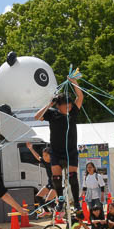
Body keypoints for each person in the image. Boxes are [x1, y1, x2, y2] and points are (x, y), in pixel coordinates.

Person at [35, 78, 84, 214]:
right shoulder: (52, 114)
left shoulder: (73, 113)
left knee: (73, 176)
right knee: (56, 178)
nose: (68, 107)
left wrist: (74, 82)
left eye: (69, 105)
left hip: (71, 151)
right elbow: (37, 116)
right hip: (56, 151)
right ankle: (60, 200)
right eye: (65, 105)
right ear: (58, 105)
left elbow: (80, 96)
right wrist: (50, 103)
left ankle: (77, 203)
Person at [25, 143, 56, 218]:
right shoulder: (45, 162)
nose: (44, 157)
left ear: (50, 155)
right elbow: (38, 157)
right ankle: (47, 211)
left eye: (46, 155)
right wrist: (31, 148)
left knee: (48, 202)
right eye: (43, 155)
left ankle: (60, 209)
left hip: (56, 184)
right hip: (50, 184)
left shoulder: (55, 162)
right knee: (38, 197)